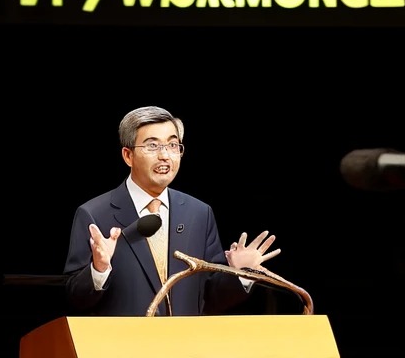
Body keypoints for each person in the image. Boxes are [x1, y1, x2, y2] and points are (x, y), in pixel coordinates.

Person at [65, 106, 277, 317]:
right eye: (152, 146)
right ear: (128, 155)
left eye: (173, 145)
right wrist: (99, 269)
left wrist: (241, 274)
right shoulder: (94, 214)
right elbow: (75, 297)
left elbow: (211, 297)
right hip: (124, 338)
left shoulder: (199, 213)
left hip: (184, 338)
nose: (165, 155)